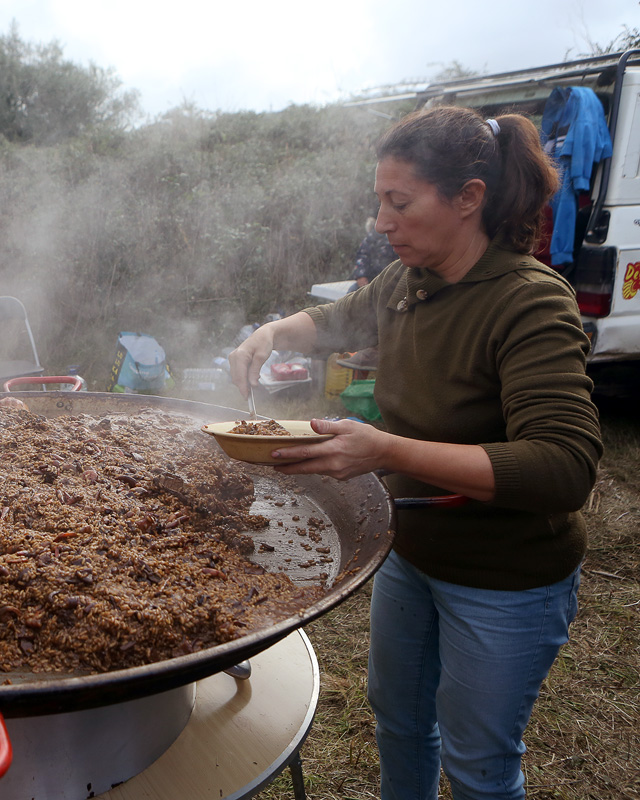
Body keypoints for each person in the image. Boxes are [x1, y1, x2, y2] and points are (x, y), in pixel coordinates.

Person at [229, 107, 601, 800]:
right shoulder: (408, 282)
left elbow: (563, 467)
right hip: (411, 553)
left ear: (468, 199)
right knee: (399, 719)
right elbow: (340, 319)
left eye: (398, 203)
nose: (381, 222)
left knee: (479, 765)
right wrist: (270, 334)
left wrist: (384, 450)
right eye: (379, 202)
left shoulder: (530, 303)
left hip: (506, 579)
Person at [351, 215, 397, 287]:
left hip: (392, 281)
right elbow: (362, 256)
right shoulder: (371, 238)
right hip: (371, 280)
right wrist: (361, 276)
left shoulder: (396, 237)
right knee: (352, 291)